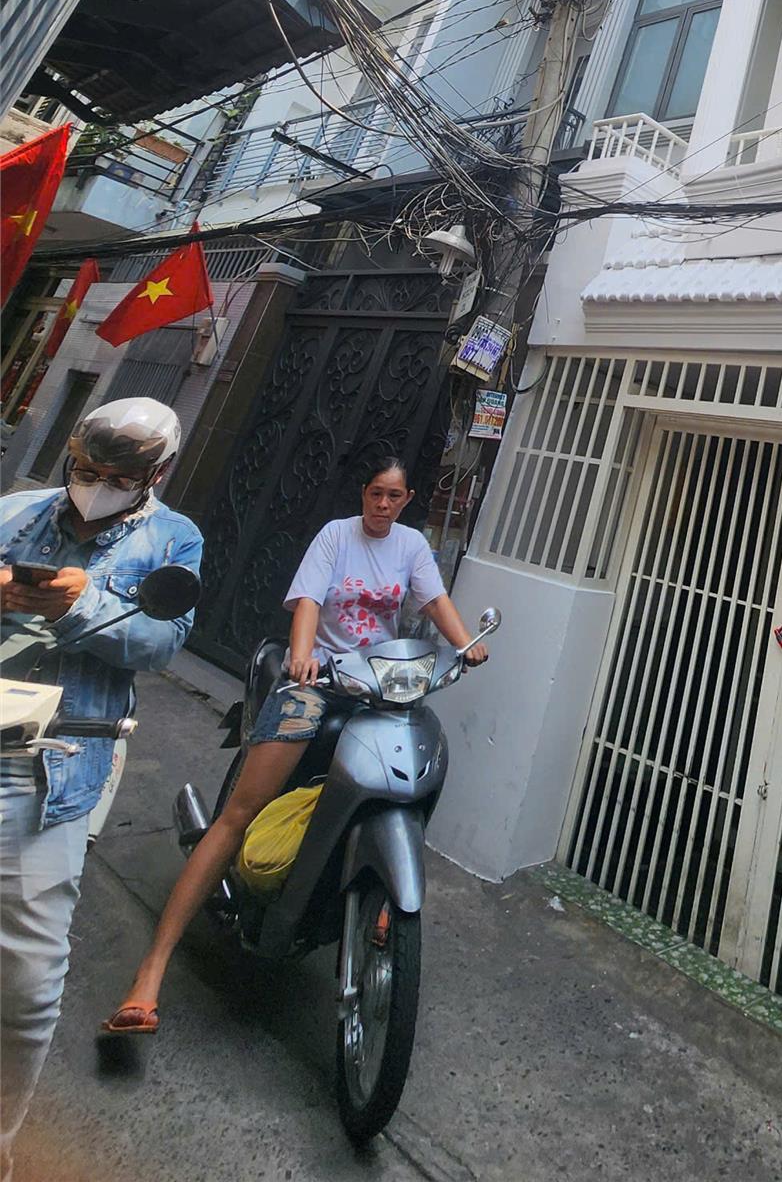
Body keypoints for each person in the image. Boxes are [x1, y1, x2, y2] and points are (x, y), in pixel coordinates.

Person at [106, 453, 486, 1034]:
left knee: (414, 765)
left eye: (394, 496)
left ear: (408, 500)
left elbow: (435, 601)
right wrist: (303, 656)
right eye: (376, 494)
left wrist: (465, 644)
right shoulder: (336, 536)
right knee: (239, 814)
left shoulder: (412, 546)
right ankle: (150, 972)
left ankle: (373, 893)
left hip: (379, 688)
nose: (384, 505)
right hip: (318, 682)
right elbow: (309, 600)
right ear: (362, 494)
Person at [0, 397, 201, 1179]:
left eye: (117, 479)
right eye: (87, 471)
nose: (96, 488)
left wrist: (80, 603)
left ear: (156, 476)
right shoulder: (15, 513)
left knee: (26, 978)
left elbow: (159, 641)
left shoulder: (171, 540)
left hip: (54, 762)